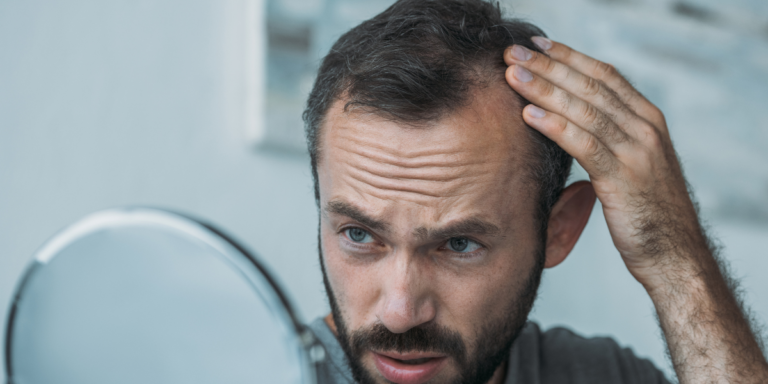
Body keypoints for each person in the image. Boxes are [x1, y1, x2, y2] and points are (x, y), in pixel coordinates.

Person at [301, 0, 768, 383]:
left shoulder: (601, 377)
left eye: (459, 244)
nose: (401, 312)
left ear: (558, 230)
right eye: (359, 235)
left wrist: (676, 260)